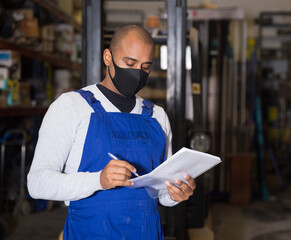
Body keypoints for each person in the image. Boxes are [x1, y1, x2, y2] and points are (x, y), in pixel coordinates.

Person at [27, 25, 196, 240]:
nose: (137, 73)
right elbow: (37, 184)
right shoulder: (71, 107)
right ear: (108, 57)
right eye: (130, 63)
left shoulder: (157, 116)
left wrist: (177, 192)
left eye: (145, 67)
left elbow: (162, 194)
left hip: (147, 233)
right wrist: (99, 180)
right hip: (90, 233)